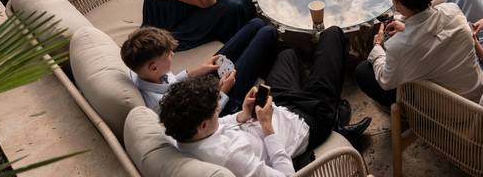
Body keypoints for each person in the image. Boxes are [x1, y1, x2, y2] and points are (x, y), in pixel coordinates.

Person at [159, 27, 371, 174]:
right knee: (333, 35)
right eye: (215, 110)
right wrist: (268, 127)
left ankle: (330, 105)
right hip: (306, 121)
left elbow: (220, 125)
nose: (218, 110)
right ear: (203, 125)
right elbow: (286, 176)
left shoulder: (184, 136)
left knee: (287, 54)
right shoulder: (232, 156)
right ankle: (334, 118)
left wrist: (243, 114)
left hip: (274, 106)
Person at [354, 0, 483, 108]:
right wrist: (406, 27)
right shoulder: (453, 10)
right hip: (479, 95)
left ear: (397, 1)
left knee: (363, 71)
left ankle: (406, 114)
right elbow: (432, 33)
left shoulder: (399, 46)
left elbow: (386, 81)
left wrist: (377, 46)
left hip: (449, 112)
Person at [121, 22, 276, 116]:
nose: (173, 54)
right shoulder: (161, 105)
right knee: (267, 33)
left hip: (197, 89)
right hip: (218, 106)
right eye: (168, 54)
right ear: (153, 67)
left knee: (256, 24)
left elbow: (170, 83)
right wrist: (223, 92)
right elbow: (200, 122)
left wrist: (199, 70)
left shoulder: (146, 73)